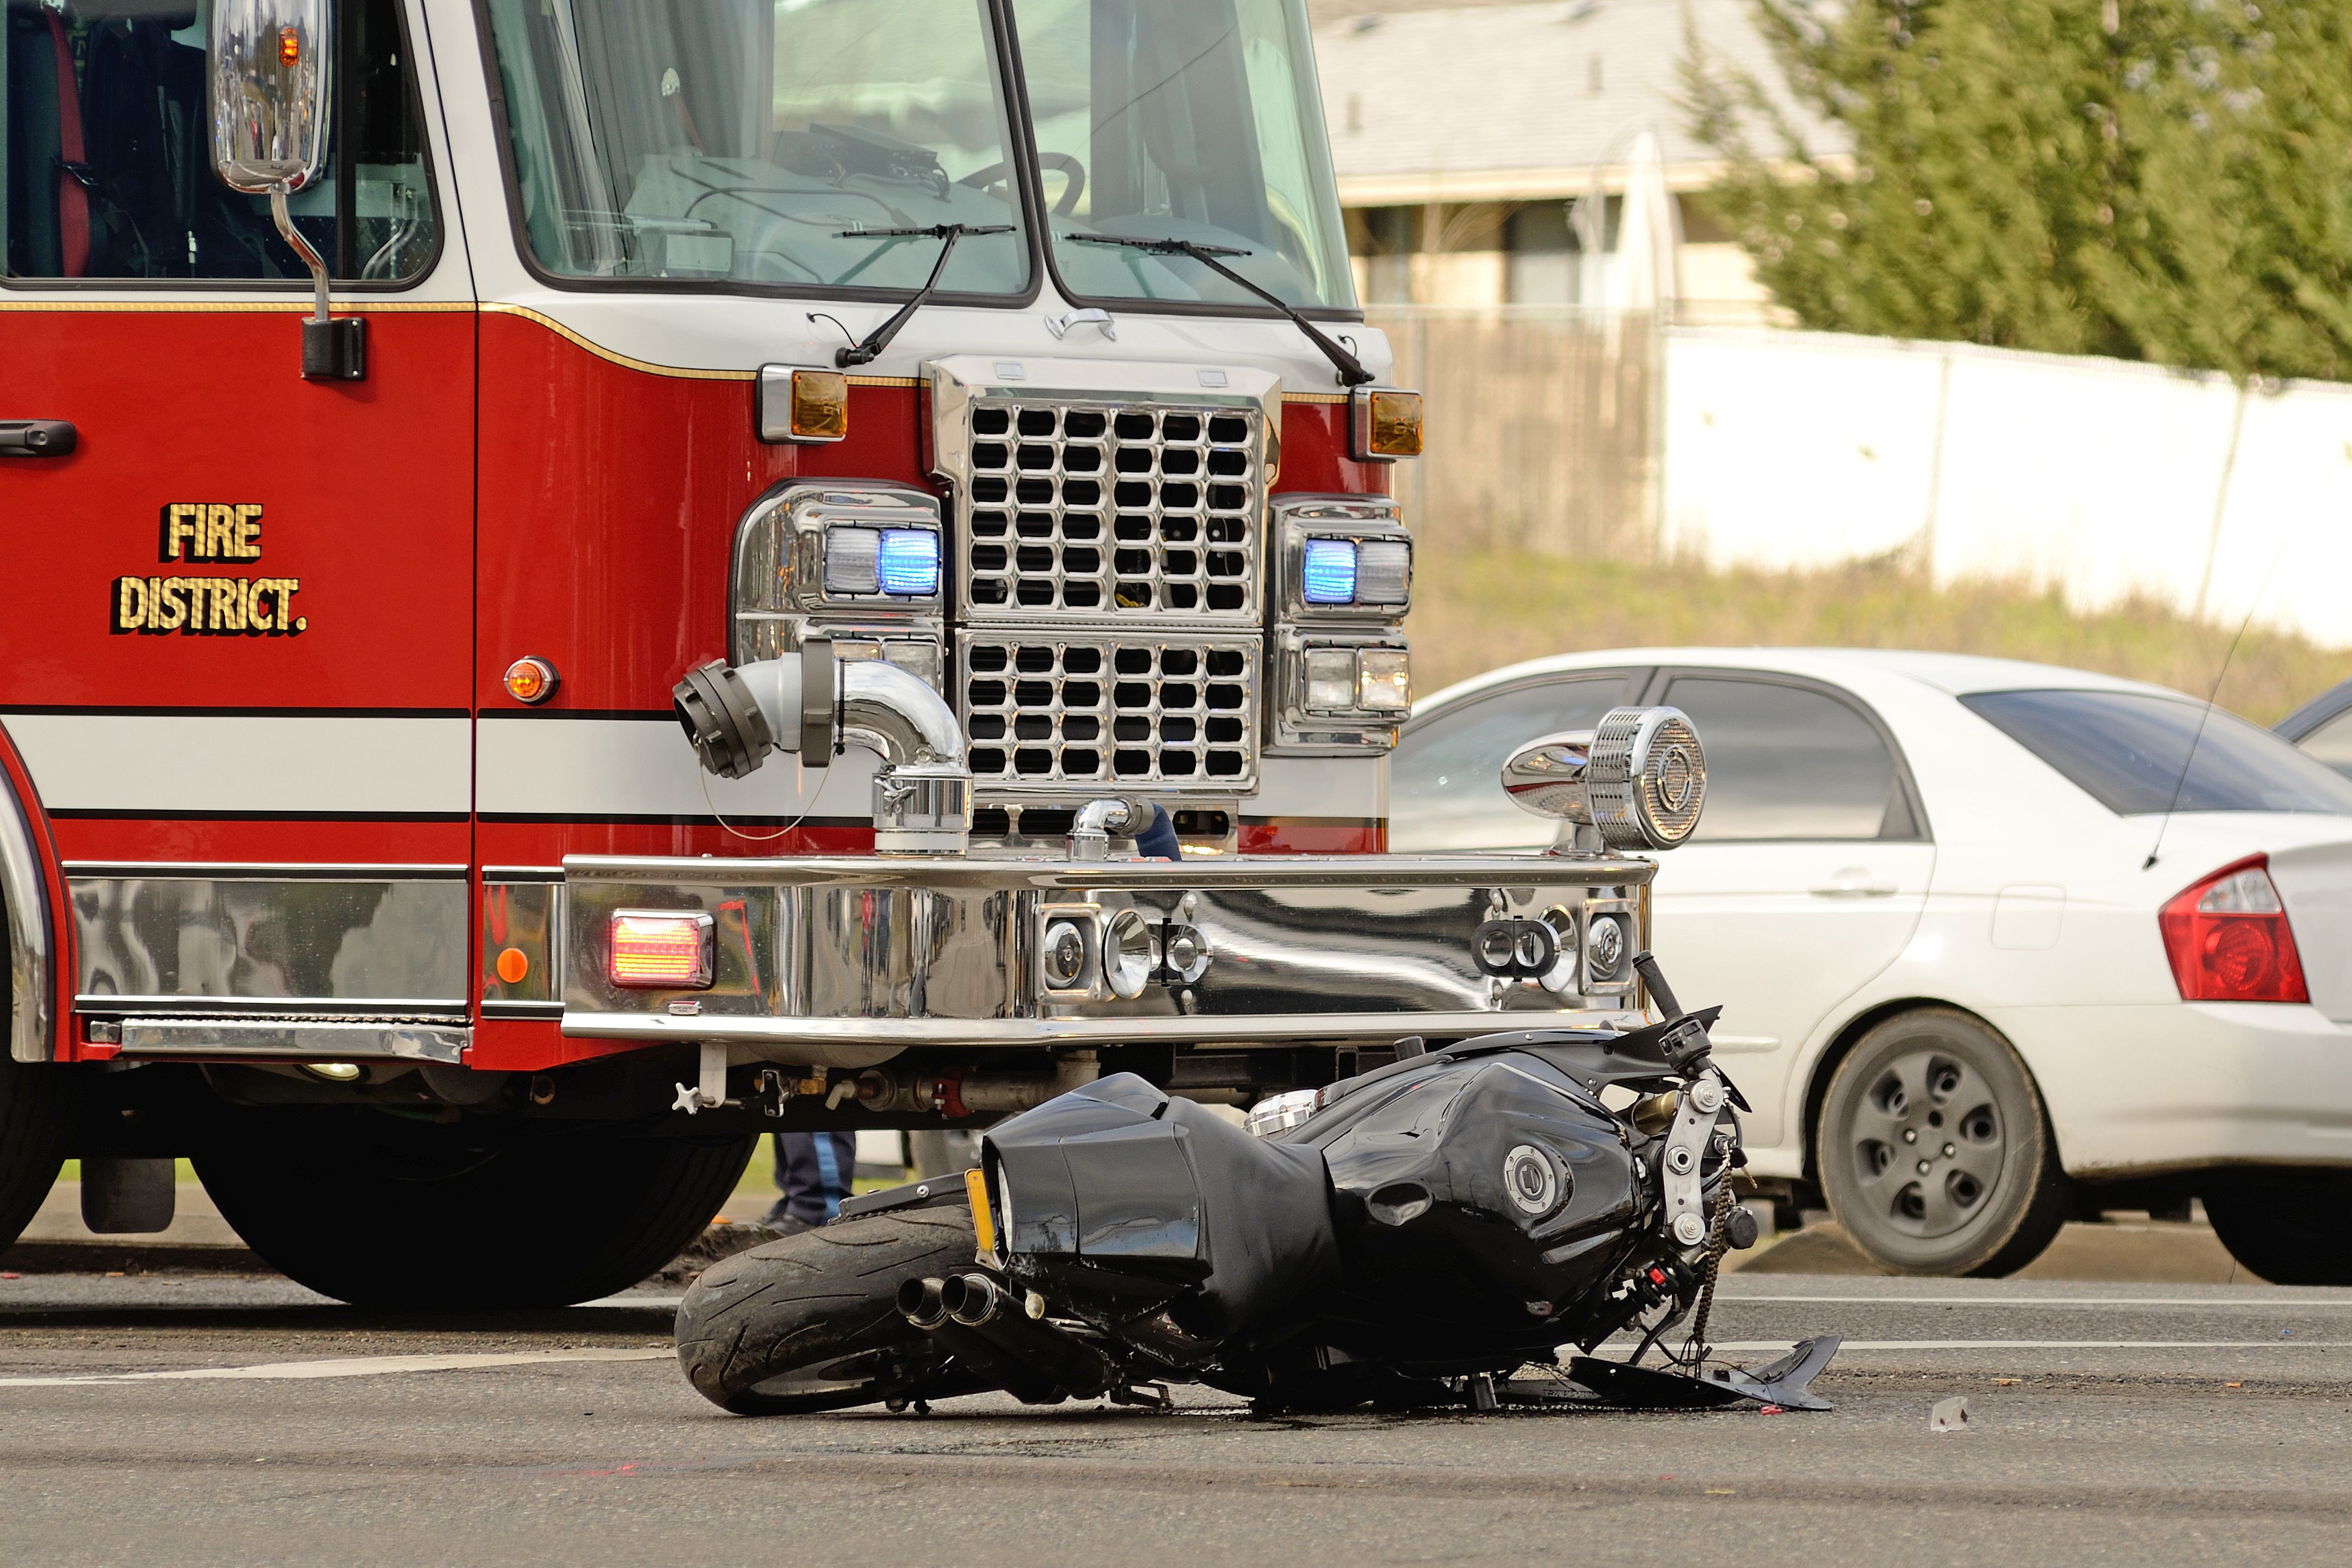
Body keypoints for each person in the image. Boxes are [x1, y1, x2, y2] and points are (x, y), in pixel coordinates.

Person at [761, 1131, 855, 1233]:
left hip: (818, 1215)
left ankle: (818, 1209)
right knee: (783, 1119)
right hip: (793, 1202)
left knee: (812, 1119)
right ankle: (795, 1206)